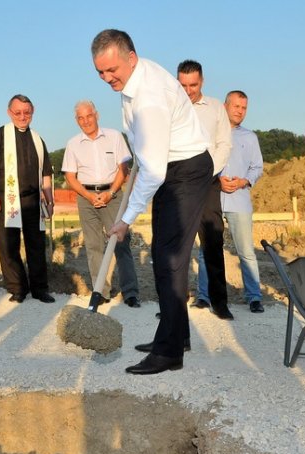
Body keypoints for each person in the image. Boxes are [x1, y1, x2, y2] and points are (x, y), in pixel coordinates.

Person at [92, 29, 213, 375]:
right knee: (164, 255)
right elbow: (148, 157)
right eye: (100, 72)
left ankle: (169, 352)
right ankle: (177, 335)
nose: (107, 78)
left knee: (169, 260)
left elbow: (154, 170)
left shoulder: (149, 97)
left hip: (184, 171)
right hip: (169, 169)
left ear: (131, 57)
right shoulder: (133, 80)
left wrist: (126, 217)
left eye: (112, 70)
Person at [62, 100, 141, 308]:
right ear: (76, 120)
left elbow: (123, 168)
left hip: (112, 195)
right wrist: (89, 196)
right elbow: (70, 177)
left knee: (121, 242)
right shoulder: (72, 144)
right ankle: (101, 292)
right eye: (81, 118)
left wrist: (110, 192)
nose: (86, 121)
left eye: (89, 116)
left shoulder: (114, 137)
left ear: (96, 115)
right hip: (86, 197)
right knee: (93, 245)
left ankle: (130, 292)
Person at [0, 94, 55, 304]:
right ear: (9, 112)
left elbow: (46, 172)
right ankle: (17, 288)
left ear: (32, 112)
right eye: (18, 112)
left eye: (27, 112)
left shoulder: (38, 139)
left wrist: (50, 199)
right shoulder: (0, 135)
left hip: (33, 200)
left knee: (36, 245)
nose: (22, 117)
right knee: (8, 245)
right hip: (5, 199)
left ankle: (40, 288)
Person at [177, 60, 233, 320]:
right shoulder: (170, 107)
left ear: (203, 81)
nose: (188, 90)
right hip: (176, 182)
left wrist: (209, 172)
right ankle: (172, 305)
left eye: (193, 85)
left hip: (208, 182)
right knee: (176, 246)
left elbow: (224, 144)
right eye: (183, 85)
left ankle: (219, 302)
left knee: (213, 241)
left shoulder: (215, 108)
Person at [220, 90, 265, 313]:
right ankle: (204, 295)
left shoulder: (250, 137)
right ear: (225, 106)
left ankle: (254, 296)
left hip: (240, 200)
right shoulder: (212, 134)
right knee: (208, 249)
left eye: (244, 108)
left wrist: (244, 181)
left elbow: (258, 167)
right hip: (213, 198)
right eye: (236, 106)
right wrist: (217, 181)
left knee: (246, 250)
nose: (240, 111)